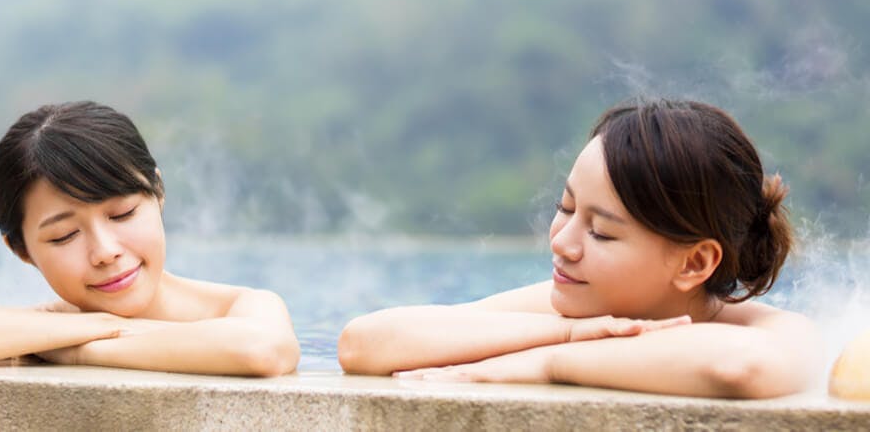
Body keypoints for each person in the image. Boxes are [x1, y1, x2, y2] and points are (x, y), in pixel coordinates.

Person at [337, 98, 821, 398]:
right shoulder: (575, 311)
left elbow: (740, 367)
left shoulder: (771, 330)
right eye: (565, 208)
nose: (562, 243)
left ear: (694, 262)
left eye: (602, 232)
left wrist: (548, 364)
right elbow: (365, 343)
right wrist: (569, 336)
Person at [0, 101, 300, 376]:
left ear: (159, 194)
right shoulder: (52, 327)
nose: (106, 251)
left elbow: (262, 350)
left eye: (123, 213)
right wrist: (97, 326)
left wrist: (80, 352)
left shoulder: (241, 306)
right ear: (21, 250)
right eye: (65, 235)